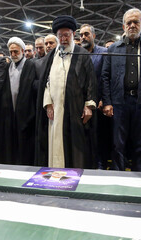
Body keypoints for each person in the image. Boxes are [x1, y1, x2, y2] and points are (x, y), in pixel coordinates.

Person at [101, 8, 141, 171]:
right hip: (119, 103)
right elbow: (105, 76)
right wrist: (107, 102)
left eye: (136, 22)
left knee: (140, 145)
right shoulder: (113, 48)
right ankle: (118, 178)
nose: (132, 25)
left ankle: (140, 179)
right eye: (129, 22)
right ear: (123, 26)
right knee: (118, 144)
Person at [35, 15, 97, 169]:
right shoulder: (51, 56)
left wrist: (89, 105)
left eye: (66, 35)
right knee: (55, 142)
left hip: (76, 109)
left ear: (73, 34)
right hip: (55, 110)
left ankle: (75, 175)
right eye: (60, 35)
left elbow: (91, 80)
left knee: (76, 146)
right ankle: (56, 171)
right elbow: (46, 82)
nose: (63, 39)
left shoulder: (82, 54)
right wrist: (48, 103)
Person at [0, 37, 36, 165]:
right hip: (10, 111)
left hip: (26, 112)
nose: (13, 54)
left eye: (16, 52)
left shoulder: (31, 65)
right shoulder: (9, 66)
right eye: (11, 52)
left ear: (23, 51)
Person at [80, 23, 109, 169]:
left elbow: (107, 78)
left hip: (100, 104)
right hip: (82, 104)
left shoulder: (103, 53)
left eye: (86, 34)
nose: (83, 37)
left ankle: (101, 166)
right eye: (81, 35)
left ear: (94, 36)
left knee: (101, 137)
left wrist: (104, 98)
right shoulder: (78, 54)